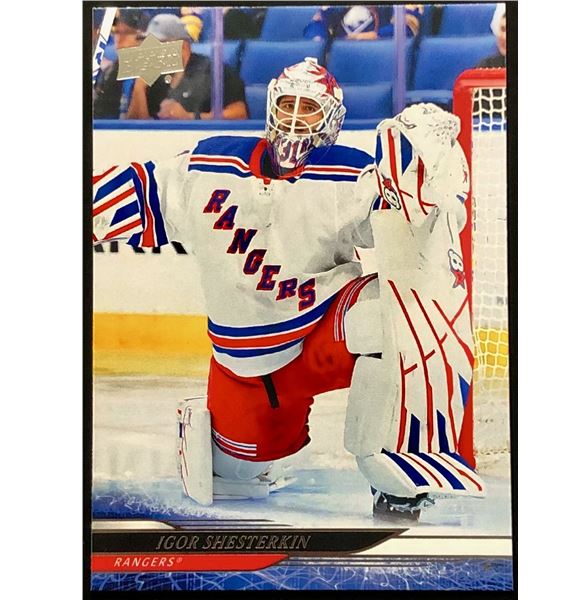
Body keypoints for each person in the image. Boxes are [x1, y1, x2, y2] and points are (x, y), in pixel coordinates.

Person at [93, 58, 484, 519]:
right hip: (246, 368)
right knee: (237, 483)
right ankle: (231, 443)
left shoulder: (349, 175)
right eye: (287, 105)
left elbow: (421, 227)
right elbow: (132, 194)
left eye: (309, 109)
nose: (296, 119)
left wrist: (432, 174)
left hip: (321, 335)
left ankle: (400, 467)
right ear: (271, 108)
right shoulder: (208, 165)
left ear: (330, 121)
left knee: (392, 312)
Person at [126, 13, 248, 120]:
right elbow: (134, 128)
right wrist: (139, 89)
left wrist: (190, 117)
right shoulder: (150, 75)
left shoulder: (215, 71)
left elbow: (239, 114)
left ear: (183, 46)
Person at [93, 9, 150, 119]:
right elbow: (99, 115)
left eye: (127, 33)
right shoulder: (110, 71)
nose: (119, 39)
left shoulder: (154, 72)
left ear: (143, 37)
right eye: (117, 32)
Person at [304, 5, 423, 41]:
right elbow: (316, 25)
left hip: (381, 59)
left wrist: (372, 36)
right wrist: (318, 41)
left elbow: (407, 27)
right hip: (341, 62)